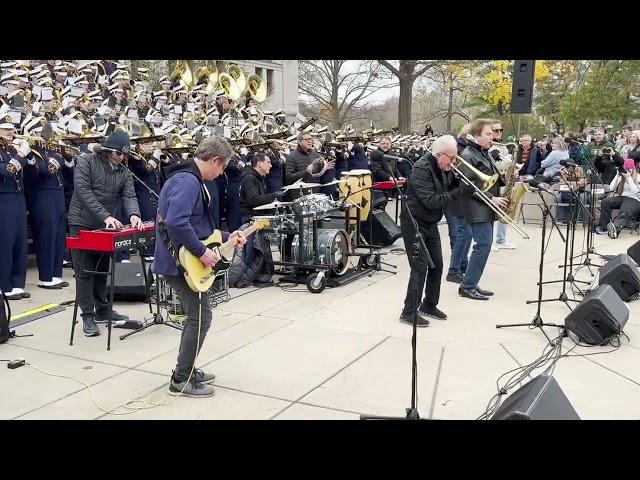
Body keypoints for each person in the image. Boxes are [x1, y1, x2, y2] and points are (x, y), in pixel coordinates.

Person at [152, 135, 247, 398]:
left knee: (198, 317)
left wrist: (227, 238)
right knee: (200, 318)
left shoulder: (188, 178)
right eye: (222, 167)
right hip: (180, 264)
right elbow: (176, 223)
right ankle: (181, 380)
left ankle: (188, 368)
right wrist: (202, 252)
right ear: (215, 160)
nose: (221, 174)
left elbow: (199, 228)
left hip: (184, 261)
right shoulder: (187, 181)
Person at [67, 131, 143, 337]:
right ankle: (87, 316)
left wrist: (134, 215)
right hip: (81, 221)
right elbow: (83, 192)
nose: (122, 158)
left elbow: (129, 195)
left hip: (105, 224)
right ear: (109, 151)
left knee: (102, 269)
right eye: (119, 154)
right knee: (85, 271)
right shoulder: (86, 162)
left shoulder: (124, 170)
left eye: (124, 155)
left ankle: (103, 309)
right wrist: (105, 216)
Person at [399, 135, 461, 327]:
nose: (453, 162)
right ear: (439, 154)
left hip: (430, 222)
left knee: (438, 265)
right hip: (414, 222)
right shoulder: (421, 169)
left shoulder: (441, 167)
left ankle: (429, 304)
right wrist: (456, 193)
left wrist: (457, 181)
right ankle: (408, 312)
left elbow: (447, 188)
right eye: (451, 158)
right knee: (420, 266)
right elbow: (431, 200)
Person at [457, 119, 507, 300]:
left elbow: (492, 178)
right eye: (487, 134)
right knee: (483, 245)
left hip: (486, 207)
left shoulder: (483, 152)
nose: (492, 137)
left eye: (492, 134)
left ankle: (471, 282)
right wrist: (492, 198)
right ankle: (467, 285)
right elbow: (467, 187)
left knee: (483, 246)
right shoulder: (469, 154)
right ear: (476, 136)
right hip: (477, 207)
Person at [0, 123, 31, 300]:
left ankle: (17, 283)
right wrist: (21, 154)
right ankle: (3, 285)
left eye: (12, 129)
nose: (11, 132)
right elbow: (7, 171)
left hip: (18, 197)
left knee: (20, 241)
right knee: (5, 241)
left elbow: (29, 169)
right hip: (3, 199)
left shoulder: (11, 149)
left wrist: (30, 155)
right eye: (5, 129)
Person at [488, 121, 515, 251]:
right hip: (494, 181)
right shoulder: (490, 146)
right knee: (493, 211)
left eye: (500, 130)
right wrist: (509, 160)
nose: (499, 132)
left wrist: (513, 168)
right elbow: (496, 167)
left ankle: (501, 239)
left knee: (505, 209)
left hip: (505, 180)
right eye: (496, 130)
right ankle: (491, 241)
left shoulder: (503, 146)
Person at [596, 159, 640, 238]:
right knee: (606, 202)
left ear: (633, 169)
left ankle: (616, 228)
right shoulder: (621, 177)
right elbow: (612, 188)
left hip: (635, 199)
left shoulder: (637, 177)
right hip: (622, 197)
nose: (627, 171)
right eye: (625, 168)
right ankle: (604, 228)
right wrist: (617, 176)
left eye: (629, 169)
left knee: (625, 209)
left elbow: (635, 191)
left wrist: (629, 178)